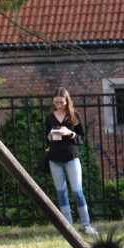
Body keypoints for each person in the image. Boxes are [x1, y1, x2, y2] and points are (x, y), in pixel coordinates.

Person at [44, 87, 96, 235]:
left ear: (67, 101)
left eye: (61, 102)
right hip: (54, 159)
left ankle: (87, 225)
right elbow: (45, 139)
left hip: (71, 158)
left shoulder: (75, 116)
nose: (59, 106)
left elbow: (81, 139)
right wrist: (49, 137)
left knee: (78, 192)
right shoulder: (50, 117)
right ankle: (69, 227)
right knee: (61, 193)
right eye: (56, 103)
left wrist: (70, 133)